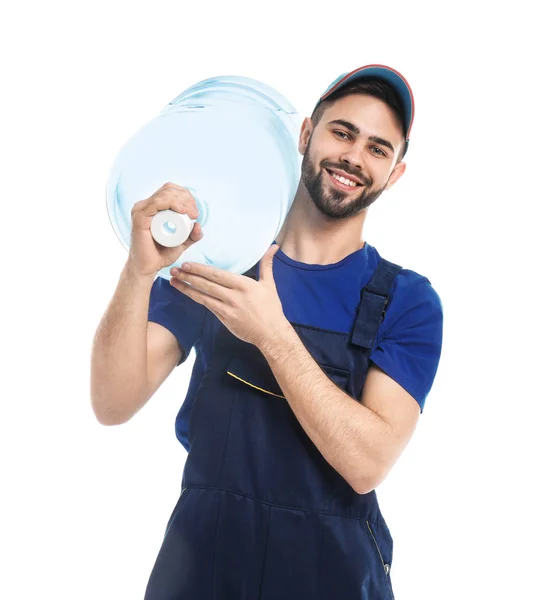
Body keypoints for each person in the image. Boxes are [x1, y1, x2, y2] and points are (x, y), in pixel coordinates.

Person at [91, 64, 444, 599]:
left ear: (394, 173)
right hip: (203, 566)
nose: (353, 156)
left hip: (332, 576)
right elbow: (112, 403)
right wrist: (139, 272)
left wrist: (273, 335)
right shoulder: (219, 260)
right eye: (342, 132)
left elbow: (367, 462)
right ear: (306, 135)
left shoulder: (407, 301)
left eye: (378, 148)